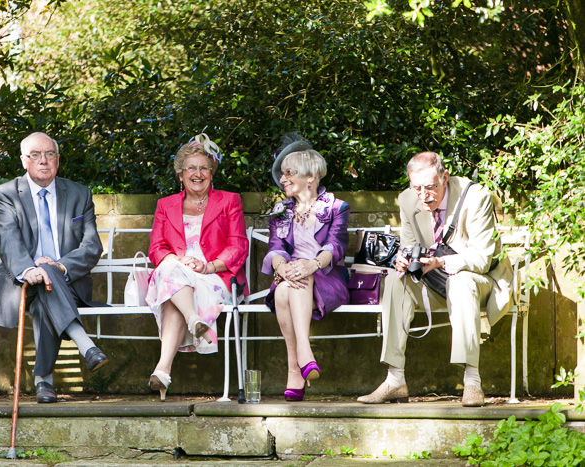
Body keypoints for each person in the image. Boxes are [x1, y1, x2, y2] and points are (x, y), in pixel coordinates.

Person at [358, 151, 513, 407]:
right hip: (436, 281)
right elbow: (409, 246)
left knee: (461, 281)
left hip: (480, 280)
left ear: (445, 177)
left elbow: (482, 258)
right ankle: (395, 379)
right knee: (396, 280)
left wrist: (441, 262)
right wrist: (404, 260)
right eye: (416, 187)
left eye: (430, 187)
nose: (423, 195)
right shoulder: (408, 200)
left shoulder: (475, 197)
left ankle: (472, 380)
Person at [0, 132, 107, 404]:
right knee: (42, 277)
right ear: (23, 161)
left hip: (65, 283)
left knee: (49, 278)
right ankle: (85, 346)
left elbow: (91, 246)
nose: (43, 161)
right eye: (35, 155)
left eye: (50, 154)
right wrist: (28, 268)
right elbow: (6, 237)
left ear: (58, 160)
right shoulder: (6, 194)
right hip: (20, 283)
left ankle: (44, 382)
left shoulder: (79, 193)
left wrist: (61, 266)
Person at [146, 134, 249, 401]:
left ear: (211, 173)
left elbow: (238, 245)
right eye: (191, 168)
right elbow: (157, 248)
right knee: (172, 274)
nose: (198, 173)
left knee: (173, 289)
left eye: (204, 168)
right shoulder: (165, 205)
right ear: (180, 174)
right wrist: (179, 262)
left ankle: (163, 368)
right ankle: (193, 320)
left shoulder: (229, 201)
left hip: (216, 276)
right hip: (177, 271)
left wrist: (208, 266)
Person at [262, 134, 350, 402]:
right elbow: (275, 248)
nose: (283, 179)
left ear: (309, 178)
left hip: (326, 276)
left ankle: (295, 365)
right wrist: (282, 267)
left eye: (289, 173)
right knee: (285, 289)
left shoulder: (336, 208)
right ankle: (304, 357)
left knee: (294, 285)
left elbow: (336, 247)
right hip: (290, 275)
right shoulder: (281, 212)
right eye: (283, 174)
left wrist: (310, 265)